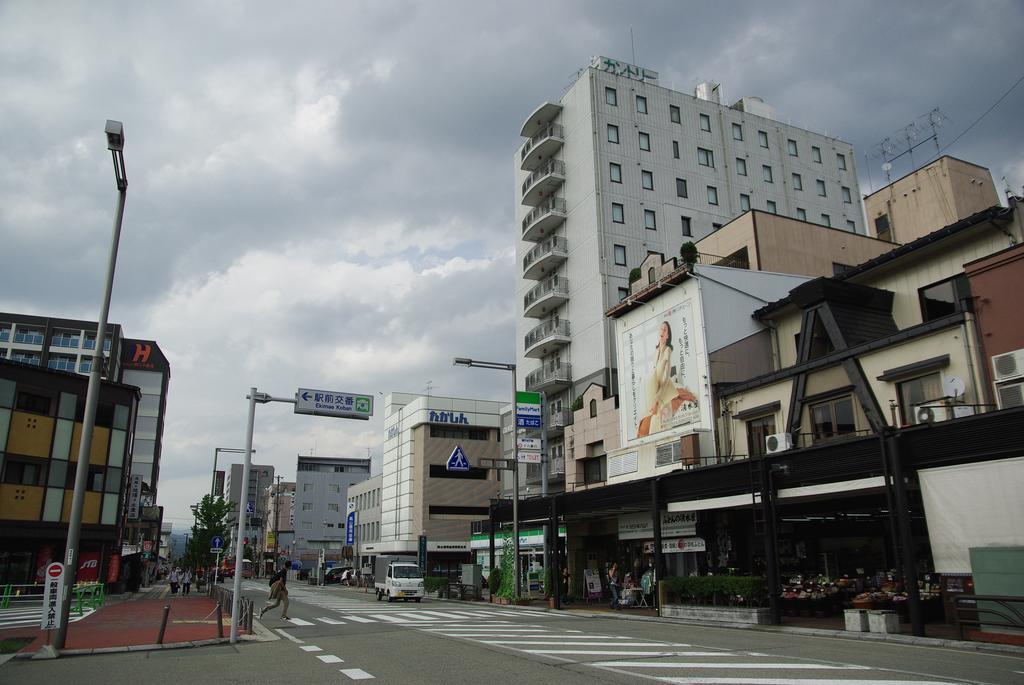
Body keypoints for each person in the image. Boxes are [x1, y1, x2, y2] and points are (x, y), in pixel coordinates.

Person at [637, 321, 698, 437]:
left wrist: (657, 399)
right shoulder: (656, 352)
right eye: (661, 329)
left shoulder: (667, 351)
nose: (662, 331)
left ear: (667, 335)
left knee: (659, 419)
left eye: (665, 330)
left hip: (664, 389)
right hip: (656, 388)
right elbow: (654, 373)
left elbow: (666, 378)